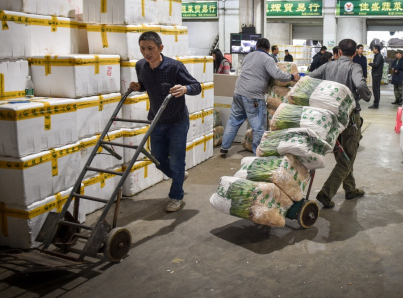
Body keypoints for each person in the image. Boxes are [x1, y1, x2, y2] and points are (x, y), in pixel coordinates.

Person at [129, 31, 202, 212]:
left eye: (150, 48)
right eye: (143, 48)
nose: (146, 53)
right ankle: (178, 176)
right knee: (158, 159)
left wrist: (185, 88)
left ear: (160, 48)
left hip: (177, 121)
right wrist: (139, 87)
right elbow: (146, 85)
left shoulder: (174, 67)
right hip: (156, 121)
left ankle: (176, 196)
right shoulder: (140, 66)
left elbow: (197, 86)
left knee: (177, 161)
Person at [308, 38, 372, 209]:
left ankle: (350, 189)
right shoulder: (354, 67)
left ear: (340, 52)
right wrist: (367, 95)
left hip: (330, 119)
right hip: (349, 119)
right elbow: (359, 84)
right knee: (348, 158)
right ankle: (326, 193)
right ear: (355, 53)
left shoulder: (328, 66)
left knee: (342, 155)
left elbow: (310, 77)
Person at [220, 38, 300, 156]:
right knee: (258, 126)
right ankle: (257, 153)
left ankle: (224, 148)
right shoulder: (268, 59)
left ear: (256, 47)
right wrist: (292, 77)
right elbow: (277, 74)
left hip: (238, 92)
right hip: (253, 96)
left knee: (233, 121)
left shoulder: (248, 56)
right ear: (268, 49)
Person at [368, 45, 384, 109]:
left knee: (376, 90)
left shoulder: (379, 56)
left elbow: (376, 65)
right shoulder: (377, 56)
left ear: (376, 49)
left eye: (373, 49)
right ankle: (376, 103)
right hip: (376, 74)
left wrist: (370, 64)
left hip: (377, 75)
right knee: (376, 89)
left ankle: (376, 104)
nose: (372, 50)